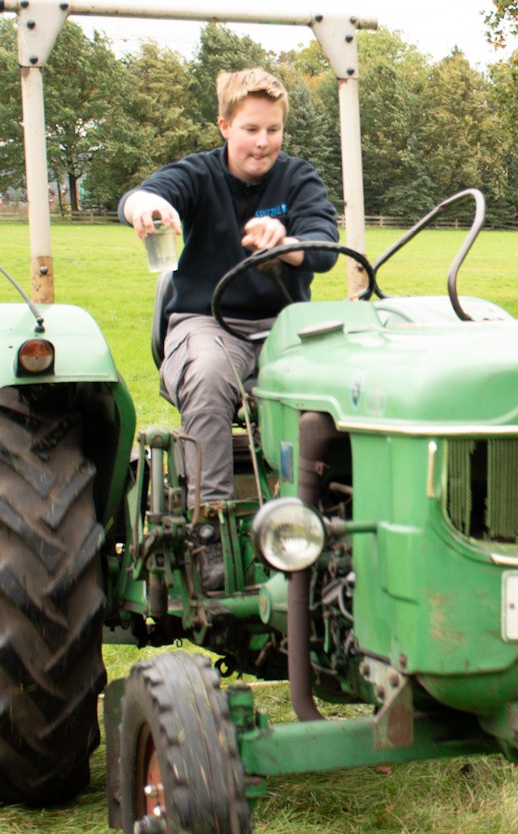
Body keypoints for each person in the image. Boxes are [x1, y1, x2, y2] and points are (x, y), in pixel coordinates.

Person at [119, 68, 339, 583]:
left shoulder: (298, 179)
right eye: (251, 129)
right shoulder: (199, 174)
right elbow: (150, 194)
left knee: (348, 381)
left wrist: (284, 242)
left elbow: (324, 246)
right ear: (224, 126)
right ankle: (209, 531)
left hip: (285, 329)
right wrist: (146, 205)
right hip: (208, 323)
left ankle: (327, 521)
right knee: (211, 372)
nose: (263, 142)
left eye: (273, 130)